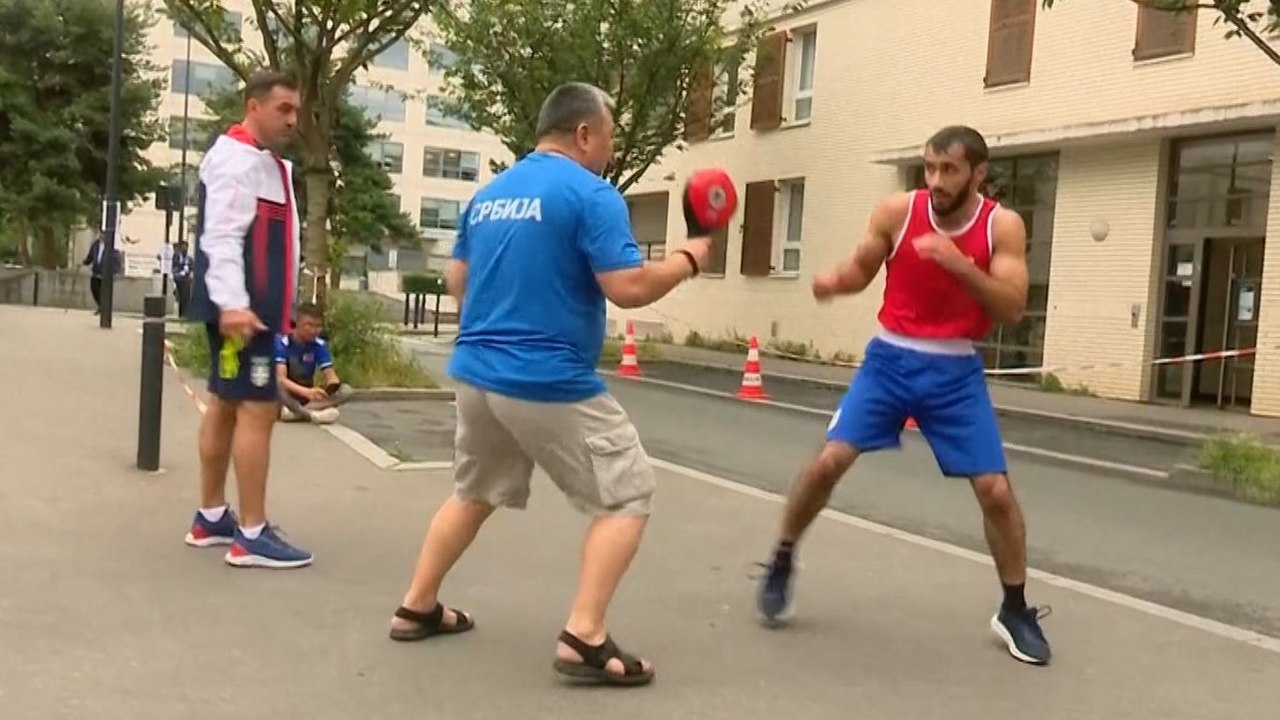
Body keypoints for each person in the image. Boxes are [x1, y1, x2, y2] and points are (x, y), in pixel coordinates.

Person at [387, 82, 722, 687]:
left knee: (473, 491)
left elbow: (458, 283)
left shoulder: (488, 196)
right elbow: (628, 288)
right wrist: (688, 259)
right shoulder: (592, 195)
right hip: (547, 377)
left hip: (475, 372)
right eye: (610, 137)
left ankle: (416, 605)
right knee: (628, 493)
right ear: (584, 133)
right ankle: (584, 636)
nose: (611, 152)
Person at [754, 125, 1052, 666]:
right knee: (828, 462)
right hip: (890, 359)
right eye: (930, 168)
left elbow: (1011, 307)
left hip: (955, 369)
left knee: (995, 492)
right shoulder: (897, 211)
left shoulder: (1001, 225)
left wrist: (958, 263)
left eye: (949, 170)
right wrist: (834, 282)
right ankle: (782, 556)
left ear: (978, 173)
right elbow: (860, 269)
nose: (936, 181)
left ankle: (1014, 608)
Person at [182, 71, 312, 570]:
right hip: (245, 314)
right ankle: (252, 534)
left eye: (296, 110)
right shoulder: (238, 161)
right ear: (253, 106)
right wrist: (234, 304)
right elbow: (221, 237)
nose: (293, 120)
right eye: (283, 109)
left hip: (247, 311)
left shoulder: (256, 160)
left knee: (224, 403)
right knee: (258, 410)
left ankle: (212, 516)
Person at [275, 302, 352, 424]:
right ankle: (311, 414)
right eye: (309, 325)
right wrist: (306, 392)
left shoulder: (319, 345)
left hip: (307, 396)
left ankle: (298, 412)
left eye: (318, 326)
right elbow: (281, 379)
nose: (314, 330)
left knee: (346, 390)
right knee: (275, 383)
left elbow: (331, 375)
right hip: (287, 394)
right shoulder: (282, 343)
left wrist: (330, 387)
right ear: (298, 323)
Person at [171, 240, 194, 318]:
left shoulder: (189, 258)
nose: (185, 249)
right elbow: (174, 267)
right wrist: (179, 272)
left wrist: (188, 271)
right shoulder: (177, 257)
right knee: (180, 296)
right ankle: (181, 313)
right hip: (178, 279)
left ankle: (185, 313)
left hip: (186, 279)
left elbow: (192, 268)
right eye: (183, 247)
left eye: (186, 247)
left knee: (186, 297)